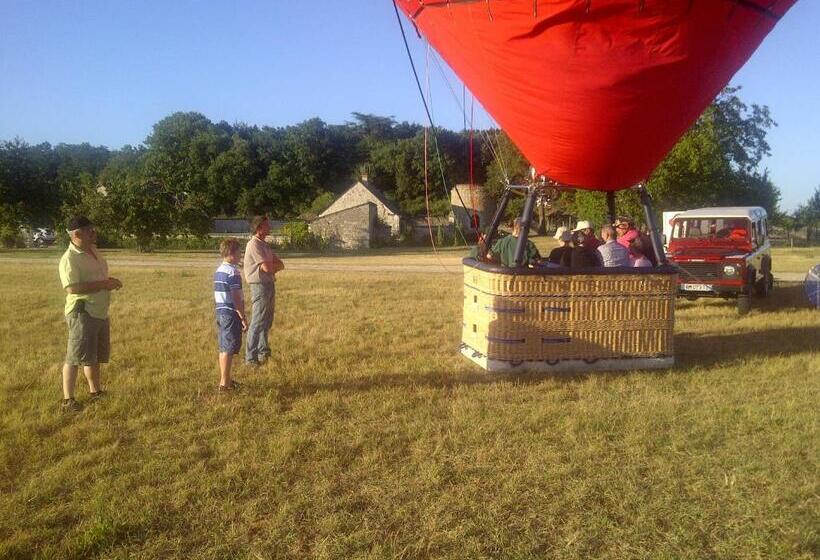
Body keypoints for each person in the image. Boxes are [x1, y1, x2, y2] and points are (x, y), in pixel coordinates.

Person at [58, 216, 123, 411]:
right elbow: (71, 288)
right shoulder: (69, 259)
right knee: (74, 356)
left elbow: (96, 277)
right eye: (90, 230)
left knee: (92, 355)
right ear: (77, 234)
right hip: (82, 312)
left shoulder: (93, 251)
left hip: (99, 310)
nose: (95, 233)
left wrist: (109, 281)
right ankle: (68, 400)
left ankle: (95, 391)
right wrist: (104, 284)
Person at [244, 216, 284, 366]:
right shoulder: (253, 245)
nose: (270, 227)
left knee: (267, 320)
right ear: (259, 228)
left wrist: (273, 267)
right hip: (259, 286)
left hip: (269, 284)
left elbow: (280, 263)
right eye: (267, 225)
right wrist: (273, 267)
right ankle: (250, 358)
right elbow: (268, 268)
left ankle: (263, 352)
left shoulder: (264, 245)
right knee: (257, 321)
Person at [214, 238, 248, 391]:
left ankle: (226, 379)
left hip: (221, 311)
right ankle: (224, 384)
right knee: (228, 348)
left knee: (224, 346)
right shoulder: (232, 272)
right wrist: (242, 316)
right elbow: (236, 297)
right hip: (230, 313)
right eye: (239, 251)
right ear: (232, 253)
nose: (241, 254)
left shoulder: (220, 270)